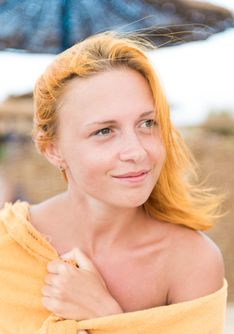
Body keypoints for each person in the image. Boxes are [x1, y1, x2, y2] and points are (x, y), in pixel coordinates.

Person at [0, 31, 227, 334]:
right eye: (104, 131)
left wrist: (104, 313)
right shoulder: (8, 248)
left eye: (147, 123)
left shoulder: (191, 262)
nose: (136, 151)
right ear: (52, 149)